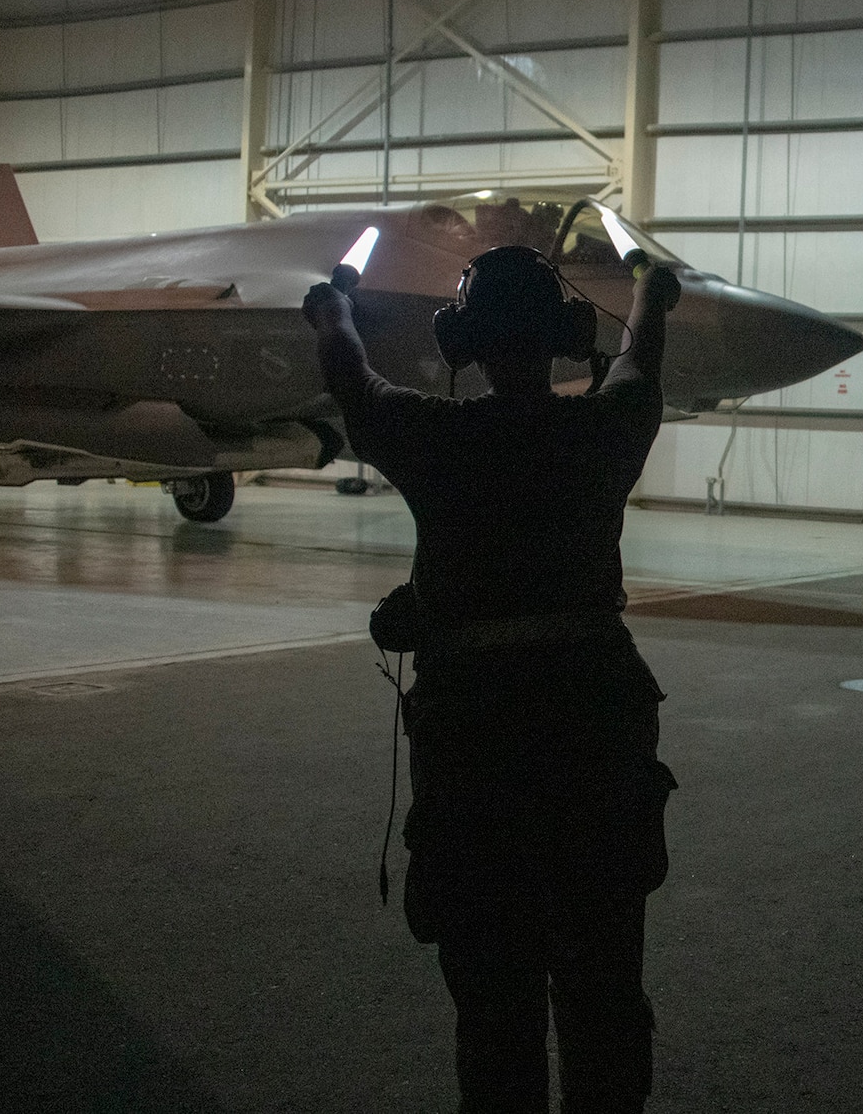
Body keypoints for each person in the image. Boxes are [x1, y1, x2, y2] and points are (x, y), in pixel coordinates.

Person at [302, 243, 683, 1113]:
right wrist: (653, 294)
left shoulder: (434, 439)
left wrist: (333, 313)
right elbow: (638, 361)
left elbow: (352, 384)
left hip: (477, 757)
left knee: (495, 1013)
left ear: (461, 340)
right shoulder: (605, 430)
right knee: (604, 1001)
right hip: (594, 744)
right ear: (562, 332)